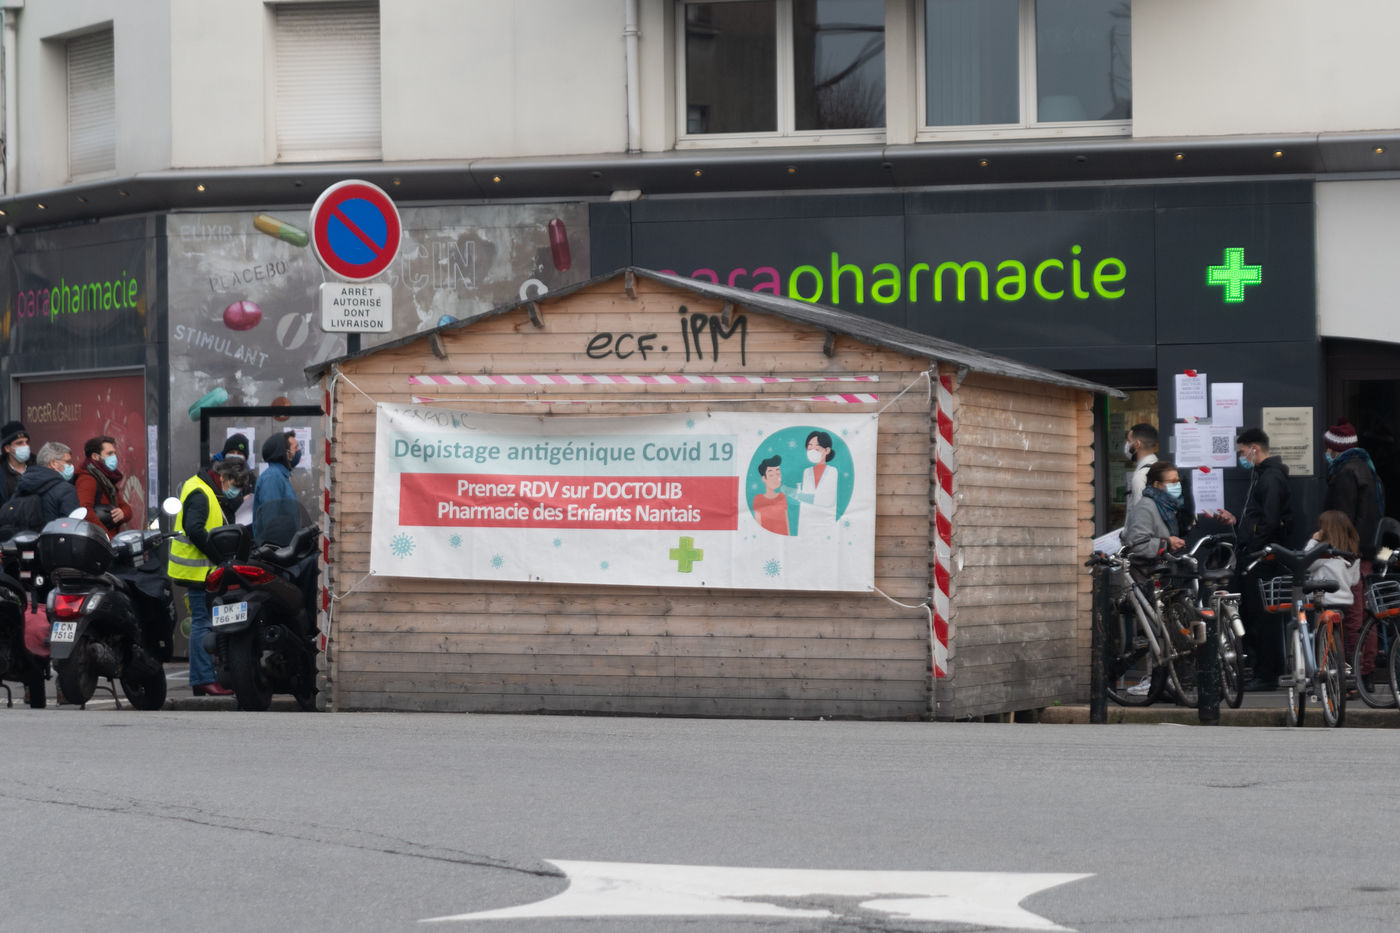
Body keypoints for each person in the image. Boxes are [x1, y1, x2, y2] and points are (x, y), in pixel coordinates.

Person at [1218, 427, 1294, 691]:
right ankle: (1263, 670)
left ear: (1254, 448)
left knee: (1260, 617)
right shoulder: (1262, 475)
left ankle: (1266, 674)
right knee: (1254, 615)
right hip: (1257, 554)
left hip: (1260, 558)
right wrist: (1237, 522)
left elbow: (1269, 521)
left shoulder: (1270, 478)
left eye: (1242, 452)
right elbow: (1260, 518)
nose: (1241, 457)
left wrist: (1253, 548)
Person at [167, 458, 248, 697]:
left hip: (203, 570)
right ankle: (203, 679)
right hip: (197, 571)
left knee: (206, 621)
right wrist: (218, 557)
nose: (235, 490)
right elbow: (194, 529)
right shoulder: (200, 492)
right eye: (234, 484)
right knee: (202, 622)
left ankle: (202, 679)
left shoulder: (208, 488)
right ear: (223, 477)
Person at [1321, 419, 1386, 689]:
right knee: (1365, 614)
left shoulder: (1346, 472)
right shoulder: (1367, 468)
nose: (1325, 452)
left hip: (1351, 553)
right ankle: (1366, 671)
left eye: (1327, 447)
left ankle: (1357, 672)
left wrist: (1337, 549)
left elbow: (1342, 518)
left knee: (1353, 615)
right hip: (1368, 550)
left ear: (1334, 448)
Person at [1123, 461, 1187, 559]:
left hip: (1166, 565)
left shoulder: (1170, 506)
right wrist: (1167, 543)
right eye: (1172, 482)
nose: (1177, 485)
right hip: (1150, 567)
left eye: (1178, 481)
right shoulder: (1145, 507)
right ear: (1157, 484)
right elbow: (1137, 546)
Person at [74, 435, 132, 539]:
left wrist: (123, 513)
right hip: (97, 541)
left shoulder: (105, 478)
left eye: (114, 453)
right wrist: (106, 537)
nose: (114, 457)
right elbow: (85, 512)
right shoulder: (87, 479)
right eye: (109, 454)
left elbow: (125, 507)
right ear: (95, 456)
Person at [785, 431, 839, 539]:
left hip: (825, 523)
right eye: (809, 449)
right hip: (806, 524)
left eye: (817, 449)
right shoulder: (807, 472)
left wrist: (799, 495)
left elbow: (827, 500)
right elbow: (805, 502)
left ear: (827, 450)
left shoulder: (833, 472)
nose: (812, 452)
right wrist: (800, 496)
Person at [12, 441, 80, 523]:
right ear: (53, 463)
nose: (71, 465)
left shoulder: (23, 483)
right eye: (68, 462)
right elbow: (72, 524)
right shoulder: (66, 490)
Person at [254, 430, 302, 546]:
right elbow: (271, 520)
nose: (299, 451)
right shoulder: (273, 477)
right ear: (286, 453)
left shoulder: (281, 476)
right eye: (295, 448)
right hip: (276, 548)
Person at [1124, 423, 1159, 511]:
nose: (1127, 445)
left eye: (1129, 441)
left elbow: (1141, 516)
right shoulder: (1161, 468)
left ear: (1137, 444)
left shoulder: (1141, 476)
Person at [751, 455, 790, 535]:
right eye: (771, 475)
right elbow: (758, 524)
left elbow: (786, 524)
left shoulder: (782, 496)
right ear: (764, 478)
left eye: (778, 473)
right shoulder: (758, 499)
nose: (776, 477)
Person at [0, 420, 31, 502]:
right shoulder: (2, 473)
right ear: (7, 448)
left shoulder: (37, 466)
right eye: (19, 443)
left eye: (27, 442)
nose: (25, 446)